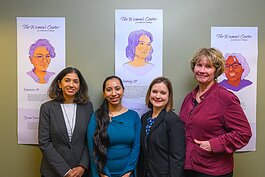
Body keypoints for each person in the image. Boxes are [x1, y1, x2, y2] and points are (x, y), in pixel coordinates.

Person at [179, 48, 252, 177]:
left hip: (213, 171)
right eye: (199, 65)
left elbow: (243, 134)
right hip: (189, 168)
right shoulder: (189, 98)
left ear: (216, 71)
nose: (202, 70)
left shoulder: (226, 98)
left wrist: (213, 144)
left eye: (208, 67)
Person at [38, 67, 93, 177]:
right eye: (67, 80)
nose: (71, 85)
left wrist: (82, 166)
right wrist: (65, 171)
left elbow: (91, 138)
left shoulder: (87, 107)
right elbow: (44, 143)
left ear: (80, 86)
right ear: (59, 84)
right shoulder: (47, 108)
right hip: (53, 171)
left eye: (76, 81)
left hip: (80, 172)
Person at [87, 76, 141, 177]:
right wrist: (103, 173)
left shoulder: (133, 116)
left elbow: (136, 146)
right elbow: (92, 148)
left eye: (117, 88)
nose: (113, 93)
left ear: (123, 90)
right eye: (108, 90)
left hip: (128, 173)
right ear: (104, 94)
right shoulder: (96, 116)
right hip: (103, 173)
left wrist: (128, 171)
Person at [138, 77, 186, 177]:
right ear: (149, 93)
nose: (158, 96)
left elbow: (178, 157)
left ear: (169, 96)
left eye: (163, 93)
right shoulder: (144, 118)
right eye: (154, 91)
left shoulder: (173, 120)